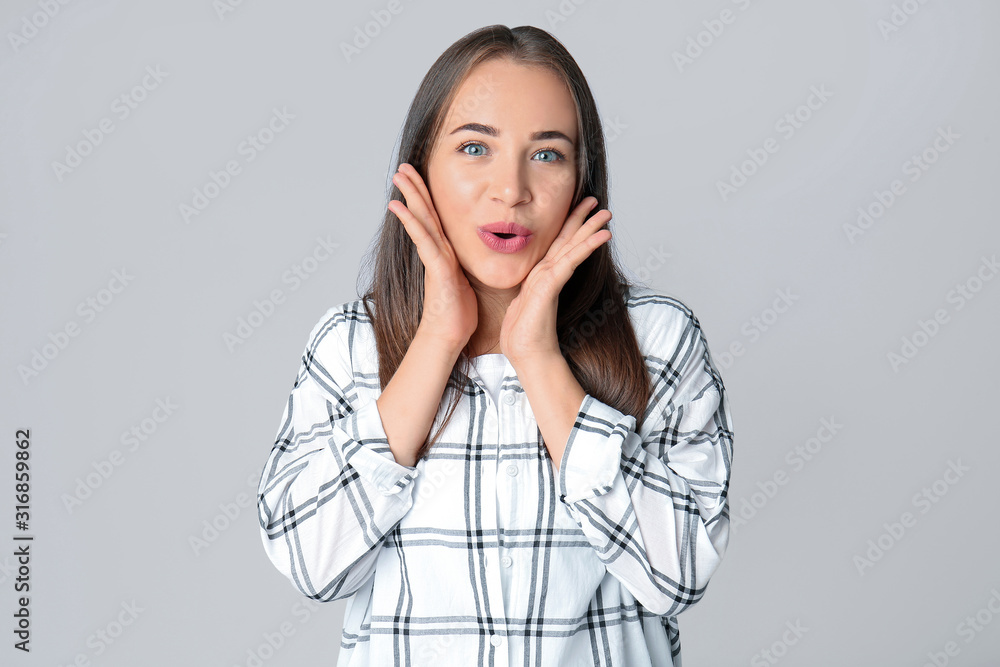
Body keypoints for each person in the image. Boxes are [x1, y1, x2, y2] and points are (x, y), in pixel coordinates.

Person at [257, 24, 734, 667]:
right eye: (475, 147)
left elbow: (679, 574)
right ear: (420, 166)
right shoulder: (349, 348)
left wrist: (538, 359)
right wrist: (436, 340)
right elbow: (314, 564)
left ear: (581, 179)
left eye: (547, 154)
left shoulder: (657, 340)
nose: (511, 189)